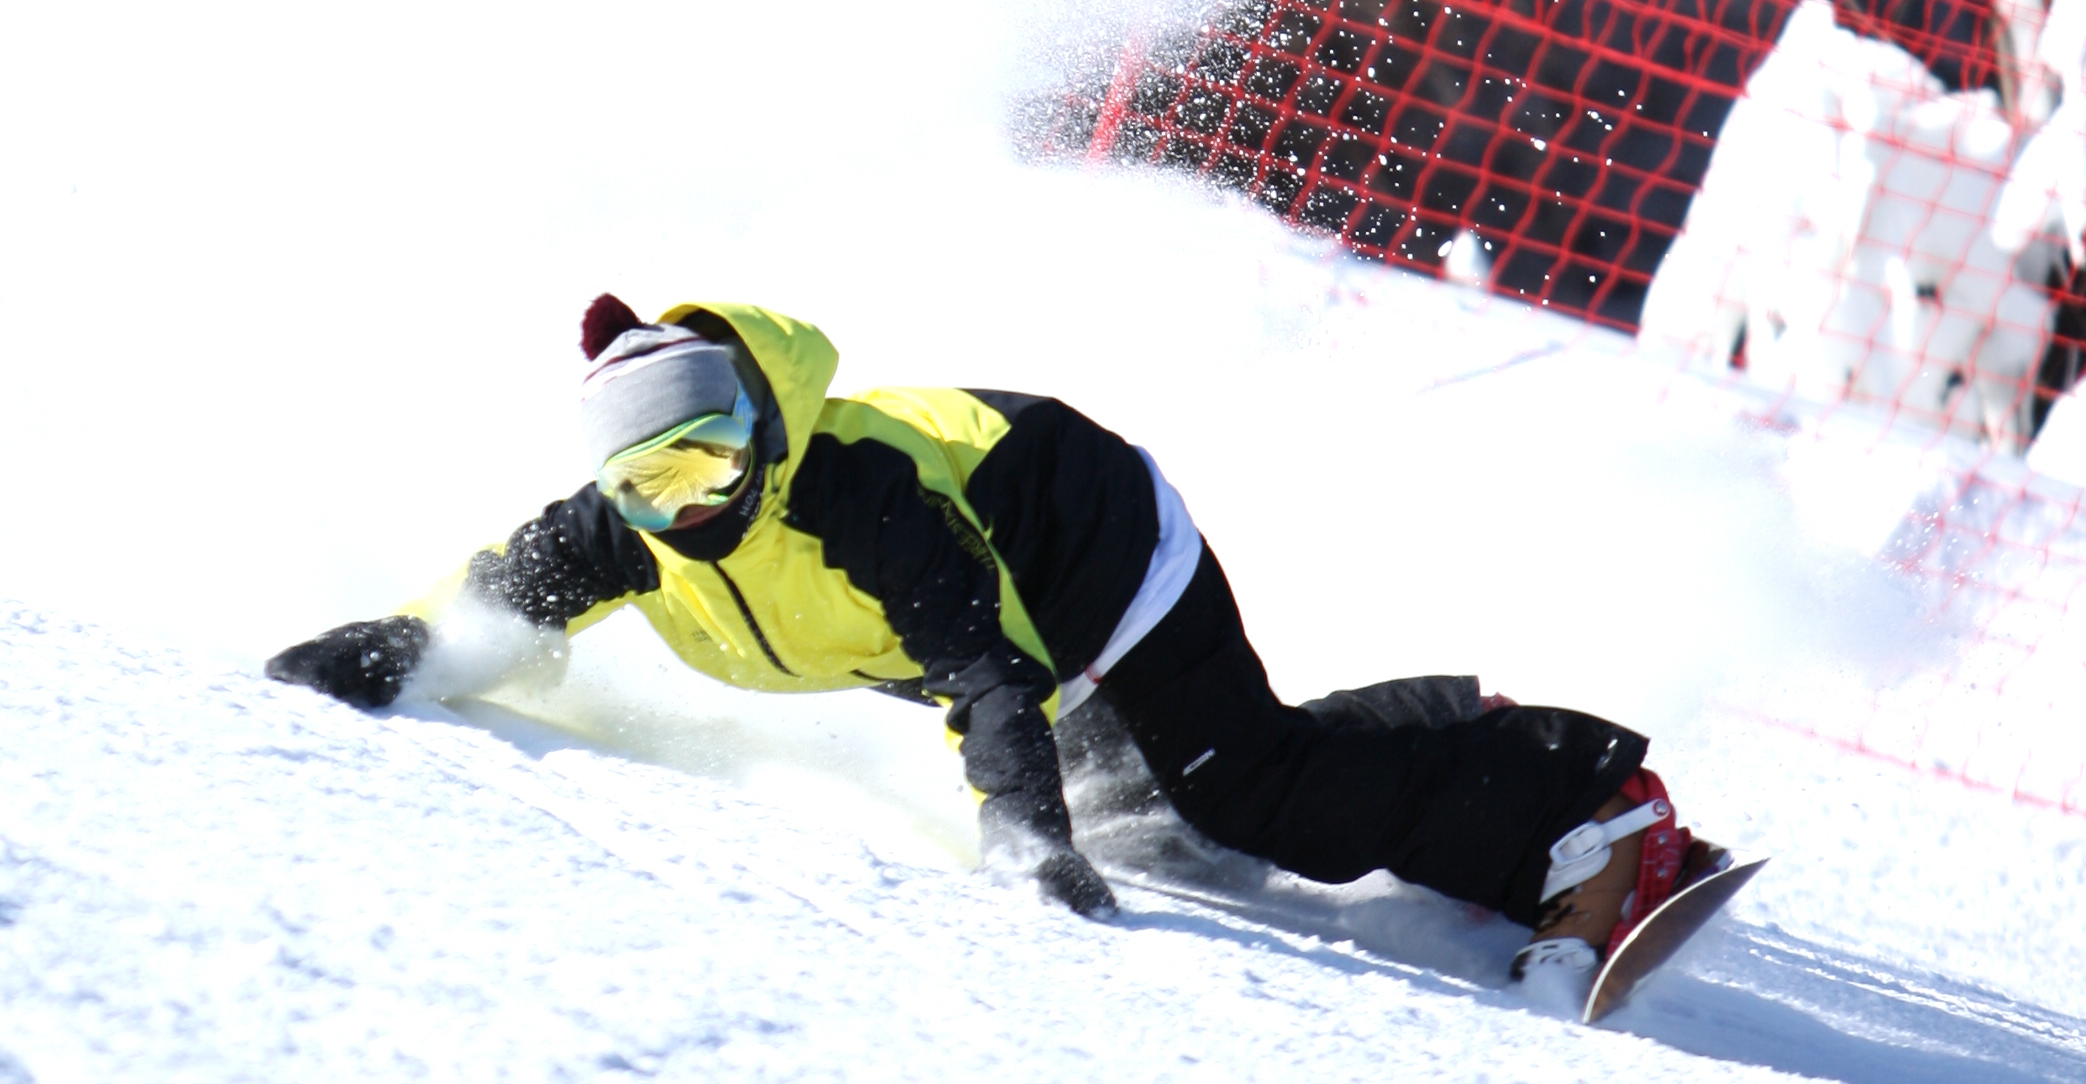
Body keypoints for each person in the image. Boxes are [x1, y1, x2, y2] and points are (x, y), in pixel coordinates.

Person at [268, 292, 1711, 998]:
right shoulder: (626, 534)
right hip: (1015, 606)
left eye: (711, 460)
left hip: (1090, 548)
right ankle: (1454, 742)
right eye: (653, 486)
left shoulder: (861, 500)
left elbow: (984, 672)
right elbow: (495, 598)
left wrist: (1021, 838)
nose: (691, 506)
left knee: (1243, 793)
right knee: (1163, 835)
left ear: (762, 429)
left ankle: (1583, 805)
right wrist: (388, 651)